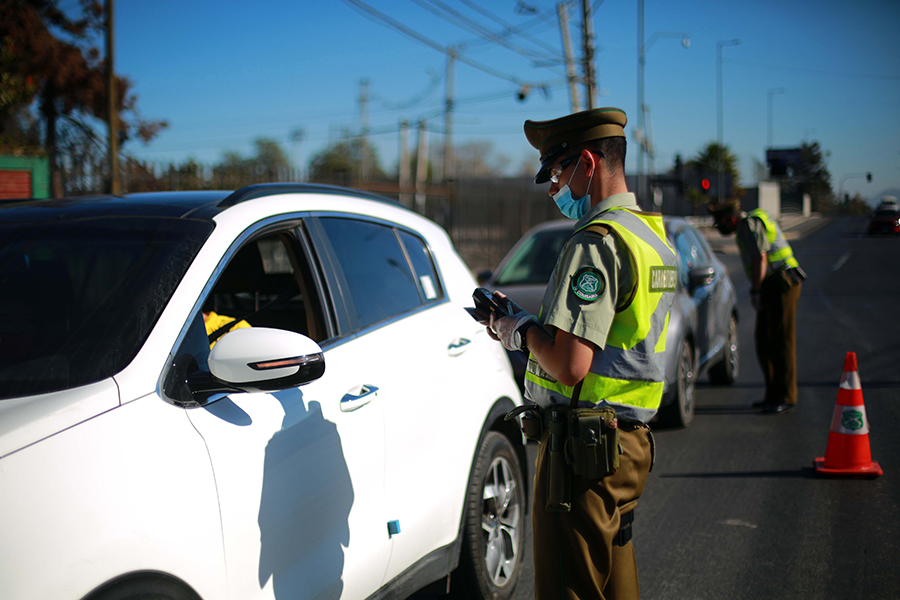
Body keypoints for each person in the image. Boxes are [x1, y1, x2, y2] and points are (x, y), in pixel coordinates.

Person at [487, 107, 676, 599]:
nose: (552, 188)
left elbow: (571, 366)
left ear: (587, 164)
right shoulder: (650, 238)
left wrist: (516, 329)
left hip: (583, 452)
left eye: (556, 172)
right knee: (617, 585)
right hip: (627, 446)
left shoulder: (594, 244)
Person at [707, 199, 805, 414]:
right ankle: (772, 395)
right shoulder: (746, 225)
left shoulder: (749, 226)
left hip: (781, 282)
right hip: (773, 282)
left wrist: (757, 291)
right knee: (764, 340)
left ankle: (786, 396)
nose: (719, 226)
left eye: (720, 221)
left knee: (781, 340)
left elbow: (760, 257)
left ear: (731, 218)